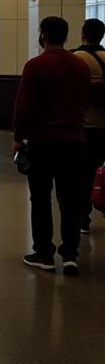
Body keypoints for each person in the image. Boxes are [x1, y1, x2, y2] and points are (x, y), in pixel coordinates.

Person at [13, 16, 89, 276]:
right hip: (74, 142)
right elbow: (85, 100)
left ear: (42, 34)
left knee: (41, 198)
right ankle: (70, 255)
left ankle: (44, 253)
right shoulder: (79, 65)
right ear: (66, 36)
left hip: (42, 143)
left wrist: (18, 137)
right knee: (70, 200)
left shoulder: (36, 65)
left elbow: (24, 107)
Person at [71, 18, 105, 234]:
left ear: (83, 33)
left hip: (83, 126)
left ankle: (83, 216)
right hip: (104, 126)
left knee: (81, 173)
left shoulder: (76, 58)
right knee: (99, 169)